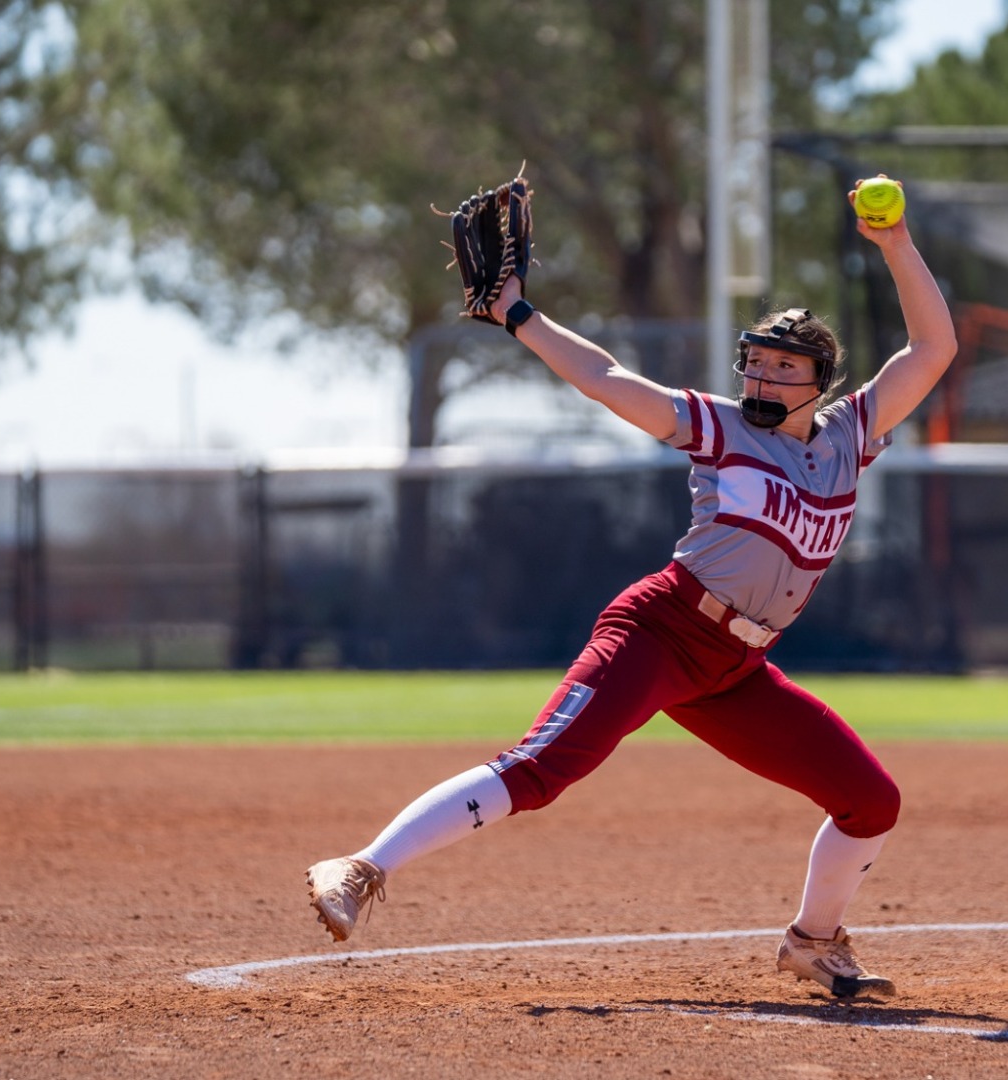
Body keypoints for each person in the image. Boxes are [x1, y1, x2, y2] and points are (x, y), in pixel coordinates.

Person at [306, 176, 955, 999]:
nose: (761, 378)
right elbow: (607, 377)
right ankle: (361, 867)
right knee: (541, 769)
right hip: (660, 631)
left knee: (870, 799)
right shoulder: (720, 427)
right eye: (755, 363)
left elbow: (932, 349)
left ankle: (813, 942)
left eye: (782, 367)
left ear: (818, 380)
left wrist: (895, 244)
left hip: (735, 669)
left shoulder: (850, 435)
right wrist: (518, 313)